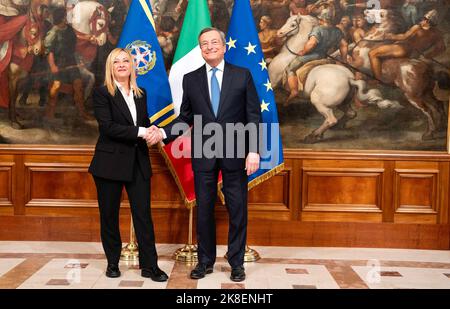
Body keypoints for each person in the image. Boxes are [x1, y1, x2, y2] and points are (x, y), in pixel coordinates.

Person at [147, 27, 261, 282]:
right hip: (204, 153)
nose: (209, 47)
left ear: (223, 46)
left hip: (236, 152)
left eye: (213, 42)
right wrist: (163, 133)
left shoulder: (242, 76)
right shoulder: (191, 78)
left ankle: (236, 263)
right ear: (200, 49)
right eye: (204, 44)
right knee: (204, 210)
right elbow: (185, 118)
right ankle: (205, 262)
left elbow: (254, 115)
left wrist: (253, 150)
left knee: (238, 209)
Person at [88, 48, 168, 282]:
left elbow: (143, 124)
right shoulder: (102, 93)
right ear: (110, 67)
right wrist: (144, 131)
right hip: (109, 164)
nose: (122, 65)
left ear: (132, 66)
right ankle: (113, 263)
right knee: (109, 215)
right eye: (116, 62)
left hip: (137, 163)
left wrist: (154, 131)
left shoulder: (140, 93)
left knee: (143, 215)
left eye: (126, 61)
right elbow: (108, 128)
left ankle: (150, 266)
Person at [285, 9, 348, 103]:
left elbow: (311, 44)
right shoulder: (337, 30)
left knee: (290, 69)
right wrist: (344, 59)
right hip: (324, 57)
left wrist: (303, 51)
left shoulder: (318, 29)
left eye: (319, 19)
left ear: (321, 19)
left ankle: (294, 91)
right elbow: (344, 45)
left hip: (312, 56)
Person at [368, 9, 445, 81]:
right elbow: (441, 48)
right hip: (415, 55)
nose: (422, 20)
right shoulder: (438, 34)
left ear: (427, 21)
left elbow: (403, 37)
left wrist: (390, 36)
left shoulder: (417, 28)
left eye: (424, 19)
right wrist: (427, 55)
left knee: (373, 53)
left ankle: (378, 80)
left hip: (403, 49)